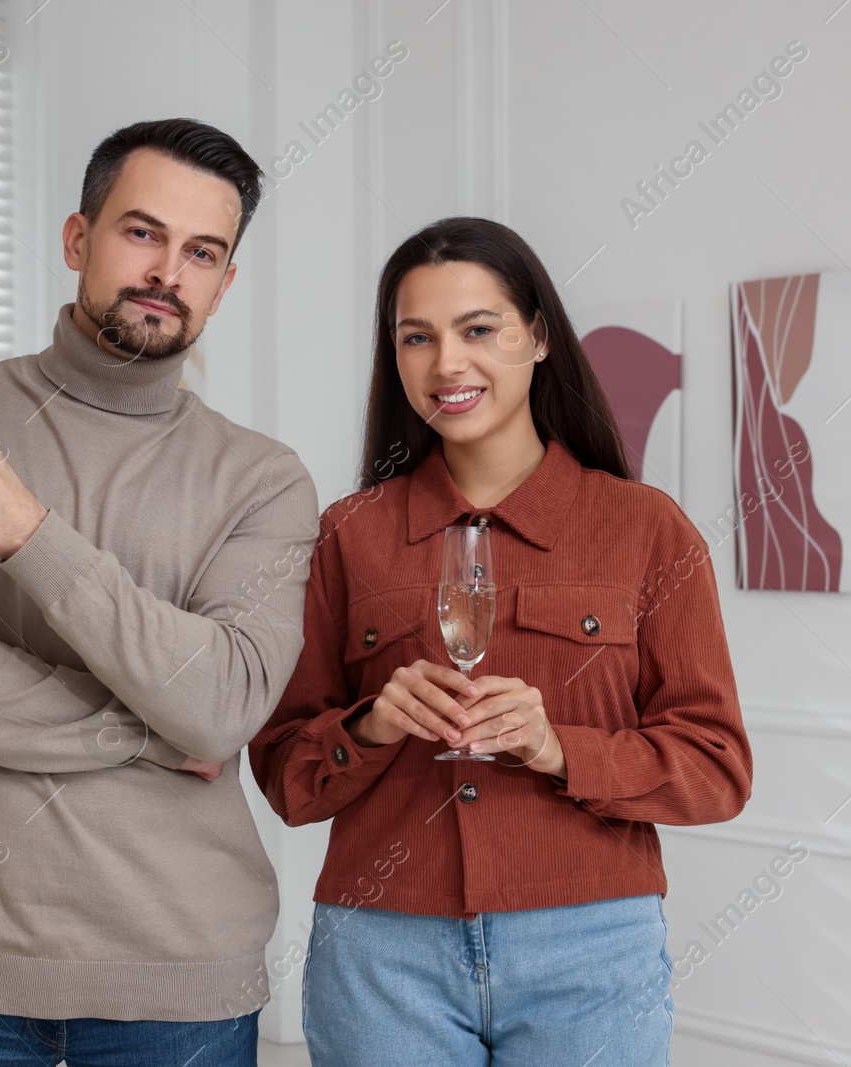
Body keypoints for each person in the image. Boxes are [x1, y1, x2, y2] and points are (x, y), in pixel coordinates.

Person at [0, 118, 318, 1066]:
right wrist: (148, 729)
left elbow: (221, 706)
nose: (167, 271)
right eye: (143, 233)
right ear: (77, 240)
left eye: (202, 252)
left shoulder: (263, 480)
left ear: (222, 285)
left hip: (180, 984)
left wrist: (29, 534)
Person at [250, 216, 753, 1065]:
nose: (447, 363)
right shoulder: (349, 534)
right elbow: (290, 779)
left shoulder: (646, 530)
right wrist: (373, 724)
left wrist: (560, 748)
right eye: (418, 337)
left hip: (590, 952)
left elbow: (717, 770)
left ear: (539, 336)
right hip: (382, 955)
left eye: (478, 329)